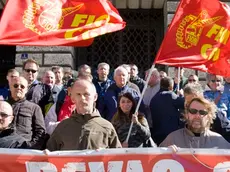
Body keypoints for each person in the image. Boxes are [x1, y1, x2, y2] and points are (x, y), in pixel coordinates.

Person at [46, 79, 121, 151]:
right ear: (72, 98)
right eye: (78, 94)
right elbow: (49, 157)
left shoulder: (106, 127)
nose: (82, 98)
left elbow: (118, 158)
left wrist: (104, 155)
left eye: (86, 94)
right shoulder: (62, 127)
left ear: (95, 97)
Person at [160, 96, 230, 149]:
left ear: (209, 117)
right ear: (187, 114)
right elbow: (155, 164)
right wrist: (165, 154)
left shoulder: (219, 141)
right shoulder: (172, 139)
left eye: (202, 112)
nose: (197, 116)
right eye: (193, 111)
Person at [8, 76, 46, 149]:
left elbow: (40, 131)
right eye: (15, 85)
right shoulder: (3, 106)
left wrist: (31, 147)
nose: (19, 88)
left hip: (24, 149)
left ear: (26, 90)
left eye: (22, 86)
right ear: (10, 87)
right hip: (4, 147)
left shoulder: (34, 108)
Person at [150, 77, 184, 145]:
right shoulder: (170, 95)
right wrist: (181, 95)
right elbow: (184, 104)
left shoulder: (154, 98)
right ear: (171, 86)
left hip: (157, 133)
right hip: (170, 133)